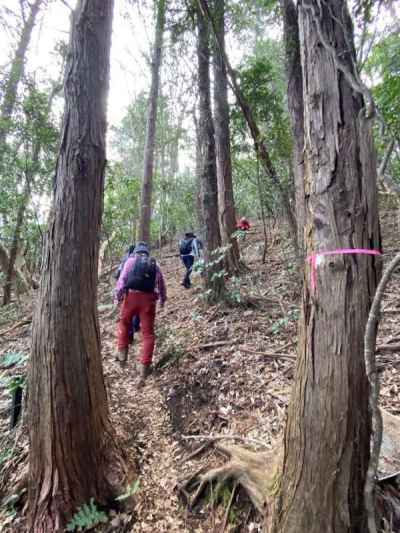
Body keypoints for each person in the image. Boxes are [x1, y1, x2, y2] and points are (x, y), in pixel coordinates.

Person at [114, 242, 167, 386]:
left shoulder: (130, 261)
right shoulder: (155, 265)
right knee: (148, 334)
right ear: (147, 253)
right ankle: (144, 367)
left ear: (136, 252)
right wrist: (162, 299)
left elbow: (122, 281)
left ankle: (122, 353)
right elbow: (161, 284)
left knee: (124, 323)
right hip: (148, 301)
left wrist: (117, 297)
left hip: (130, 298)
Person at [114, 244, 140, 343]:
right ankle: (136, 327)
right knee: (135, 312)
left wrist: (118, 294)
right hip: (138, 290)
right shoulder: (138, 260)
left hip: (126, 289)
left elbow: (120, 274)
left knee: (127, 314)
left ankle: (129, 335)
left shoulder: (126, 259)